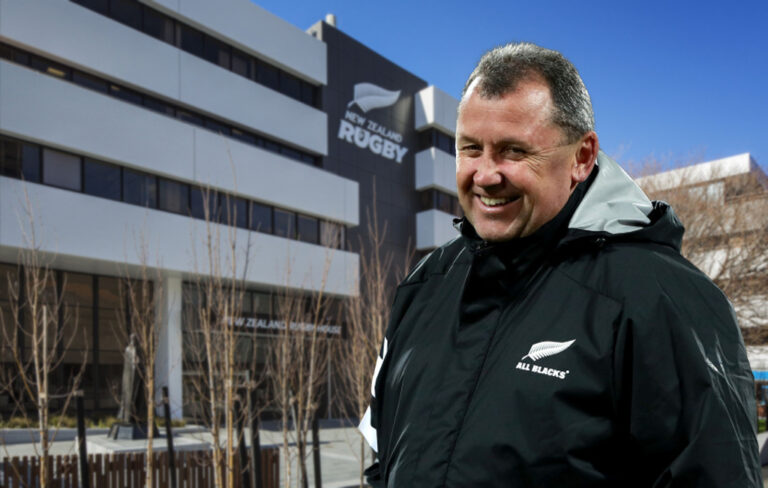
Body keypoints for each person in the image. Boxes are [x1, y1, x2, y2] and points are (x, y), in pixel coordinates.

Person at [359, 42, 762, 487]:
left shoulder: (661, 300)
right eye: (471, 149)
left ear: (582, 158)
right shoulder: (425, 285)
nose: (486, 174)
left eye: (514, 151)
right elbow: (384, 456)